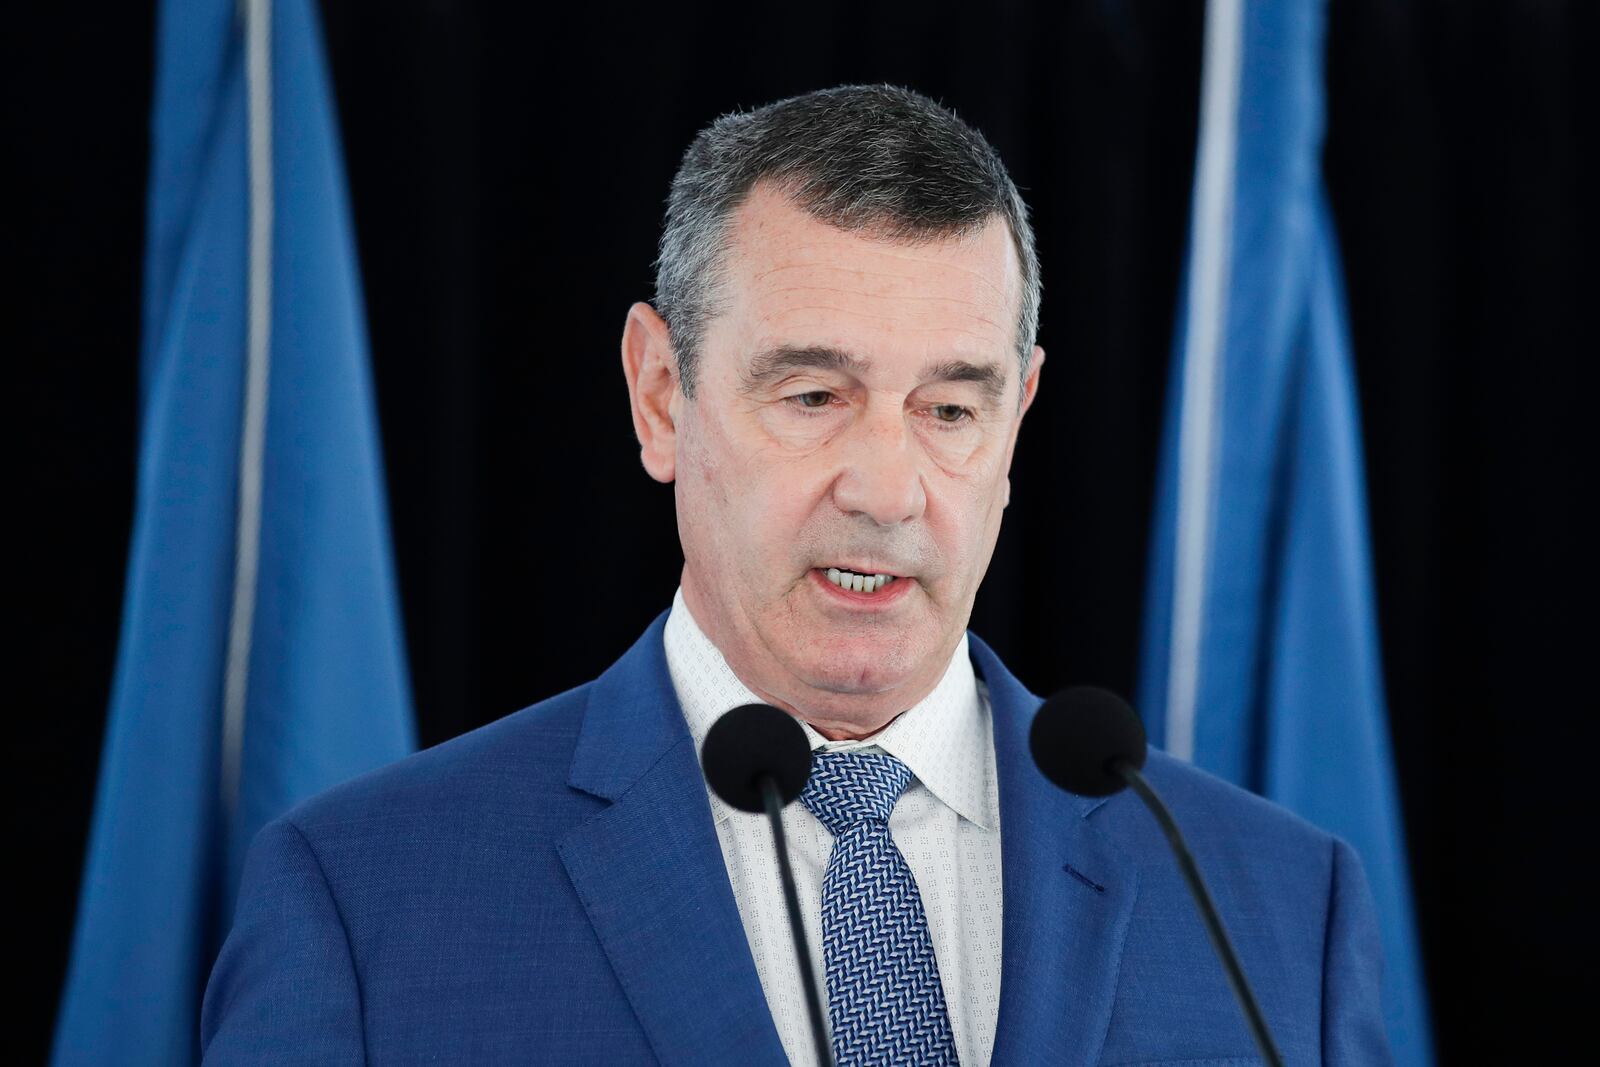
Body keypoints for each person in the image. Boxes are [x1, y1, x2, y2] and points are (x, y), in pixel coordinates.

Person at [201, 85, 1390, 1065]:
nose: (886, 486)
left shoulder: (1280, 907)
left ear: (1018, 418)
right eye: (814, 396)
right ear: (660, 395)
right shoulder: (366, 900)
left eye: (949, 407)